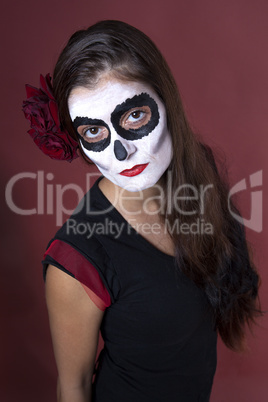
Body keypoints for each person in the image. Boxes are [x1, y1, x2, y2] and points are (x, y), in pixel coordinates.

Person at [23, 20, 261, 402]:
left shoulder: (196, 175)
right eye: (94, 133)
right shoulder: (78, 260)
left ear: (164, 99)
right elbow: (73, 388)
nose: (121, 153)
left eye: (134, 116)